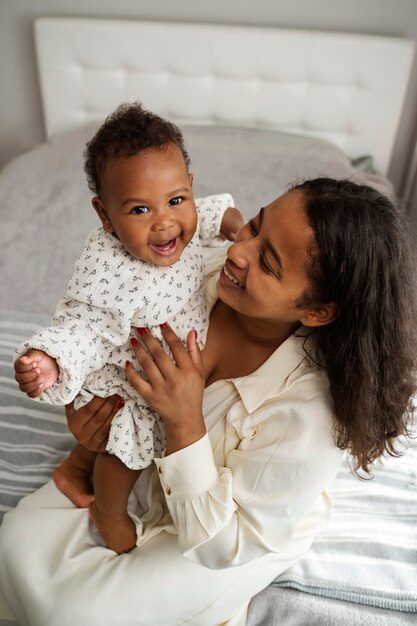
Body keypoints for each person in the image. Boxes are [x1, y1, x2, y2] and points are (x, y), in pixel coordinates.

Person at [1, 178, 416, 626]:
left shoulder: (309, 415)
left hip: (226, 531)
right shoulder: (197, 272)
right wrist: (84, 420)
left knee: (74, 616)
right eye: (255, 227)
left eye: (269, 264)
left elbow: (226, 544)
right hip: (138, 471)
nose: (239, 253)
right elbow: (108, 341)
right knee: (15, 545)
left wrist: (184, 422)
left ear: (315, 311)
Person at [13, 102, 243, 554]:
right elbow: (82, 325)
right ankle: (109, 511)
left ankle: (74, 467)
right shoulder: (108, 268)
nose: (164, 222)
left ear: (189, 189)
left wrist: (239, 226)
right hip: (131, 380)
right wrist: (49, 361)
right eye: (139, 209)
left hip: (168, 367)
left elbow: (212, 215)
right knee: (125, 452)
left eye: (176, 200)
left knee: (116, 438)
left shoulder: (188, 223)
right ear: (105, 216)